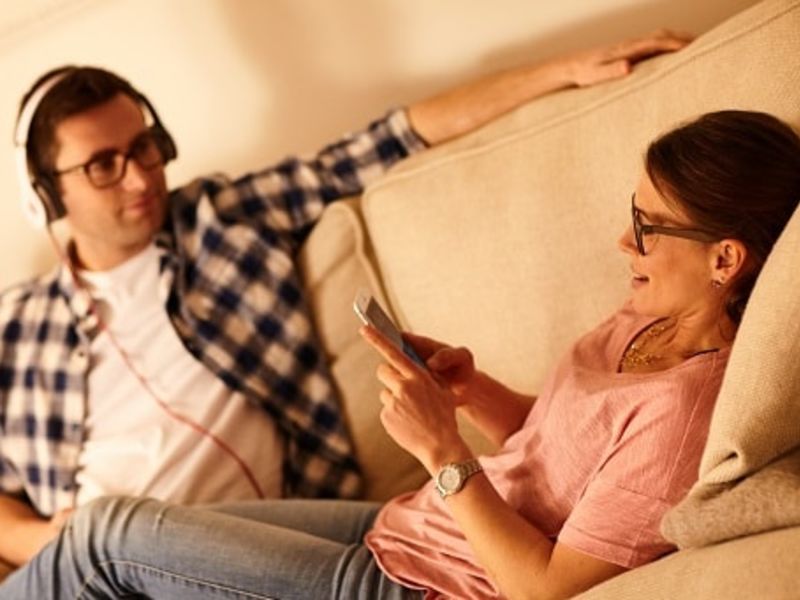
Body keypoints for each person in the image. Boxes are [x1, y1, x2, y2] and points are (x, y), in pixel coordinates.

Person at [3, 105, 799, 598]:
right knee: (123, 549)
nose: (623, 239)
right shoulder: (646, 315)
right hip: (410, 528)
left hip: (423, 585)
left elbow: (541, 588)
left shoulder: (685, 413)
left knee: (106, 536)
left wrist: (442, 450)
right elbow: (562, 446)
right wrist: (470, 390)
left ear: (726, 261)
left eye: (650, 227)